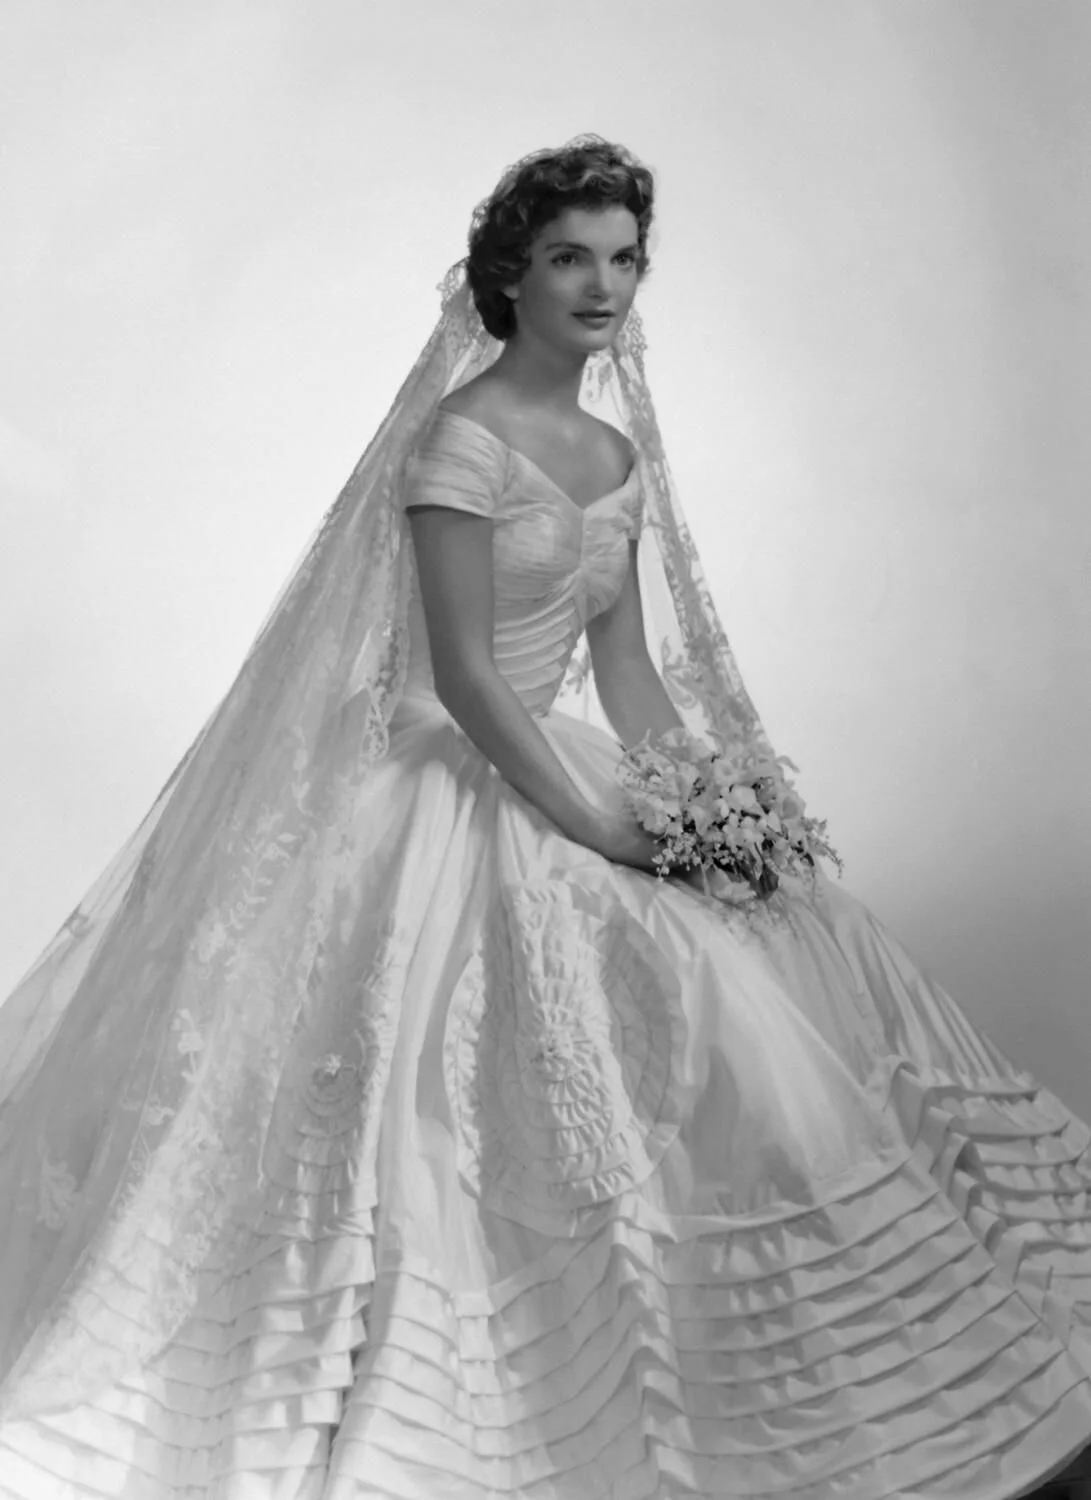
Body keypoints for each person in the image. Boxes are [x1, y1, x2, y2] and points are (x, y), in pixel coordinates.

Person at [0, 134, 1088, 1500]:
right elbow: (465, 677)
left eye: (623, 260)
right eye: (570, 257)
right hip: (449, 766)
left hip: (562, 753)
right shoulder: (459, 441)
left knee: (758, 966)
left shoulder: (614, 450)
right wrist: (596, 826)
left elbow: (626, 673)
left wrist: (707, 803)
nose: (602, 286)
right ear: (508, 276)